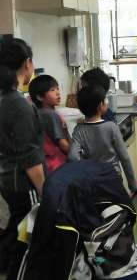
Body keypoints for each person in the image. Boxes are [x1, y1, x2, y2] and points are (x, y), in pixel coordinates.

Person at [0, 38, 45, 275]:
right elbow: (30, 158)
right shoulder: (19, 105)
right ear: (27, 63)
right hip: (23, 184)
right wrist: (45, 192)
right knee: (26, 240)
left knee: (14, 234)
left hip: (6, 182)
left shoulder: (4, 99)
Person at [70, 85, 137, 196]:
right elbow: (124, 157)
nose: (107, 102)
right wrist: (132, 183)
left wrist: (86, 168)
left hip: (92, 179)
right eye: (105, 99)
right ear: (100, 105)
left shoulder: (79, 129)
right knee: (115, 204)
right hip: (113, 176)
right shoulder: (111, 127)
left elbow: (73, 156)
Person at [29, 74, 71, 174]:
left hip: (45, 164)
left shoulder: (37, 113)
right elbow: (63, 144)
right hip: (58, 164)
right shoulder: (51, 115)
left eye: (57, 89)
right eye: (52, 90)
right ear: (40, 97)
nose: (58, 93)